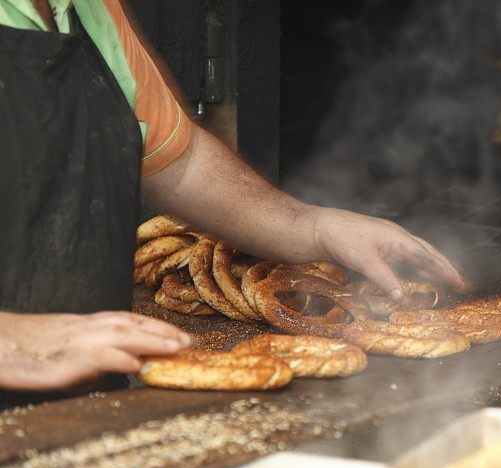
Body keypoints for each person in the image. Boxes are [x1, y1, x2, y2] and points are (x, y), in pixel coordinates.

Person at [0, 0, 465, 391]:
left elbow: (176, 158)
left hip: (85, 406)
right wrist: (14, 338)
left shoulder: (87, 9)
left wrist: (315, 227)